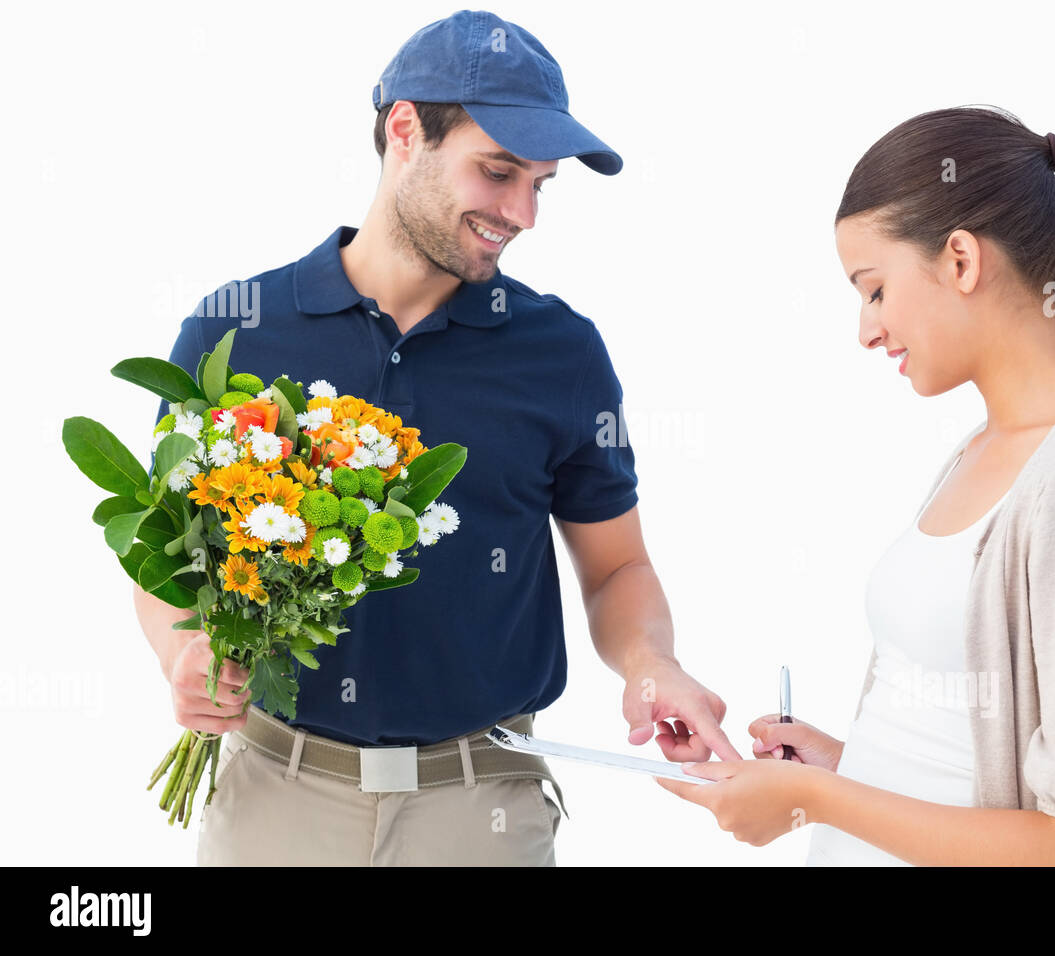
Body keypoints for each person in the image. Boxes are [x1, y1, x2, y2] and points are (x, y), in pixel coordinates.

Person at [133, 9, 741, 866]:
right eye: (498, 173)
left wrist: (651, 665)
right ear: (405, 131)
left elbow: (616, 567)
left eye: (541, 184)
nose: (523, 212)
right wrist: (180, 648)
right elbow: (161, 554)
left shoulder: (561, 354)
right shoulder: (237, 331)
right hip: (273, 797)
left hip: (482, 808)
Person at [657, 106, 1055, 866]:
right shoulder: (985, 448)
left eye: (874, 290)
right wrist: (847, 771)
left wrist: (819, 799)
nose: (865, 329)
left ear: (961, 260)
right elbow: (962, 763)